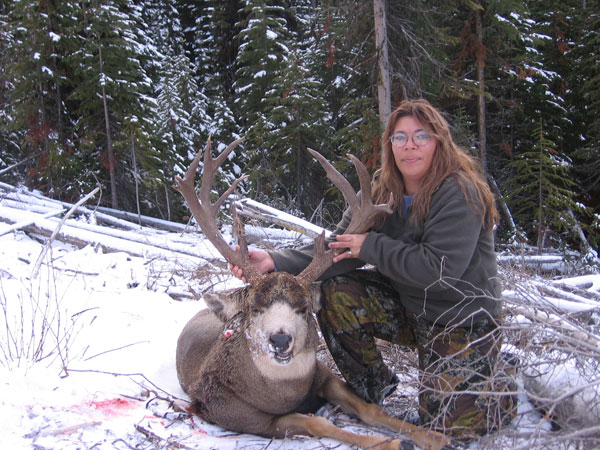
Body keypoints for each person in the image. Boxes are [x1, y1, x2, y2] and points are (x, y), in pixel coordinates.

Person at [230, 98, 514, 438]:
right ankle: (374, 391)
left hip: (460, 320)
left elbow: (439, 271)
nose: (409, 145)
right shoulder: (382, 191)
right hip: (409, 307)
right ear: (390, 144)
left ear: (439, 141)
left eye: (421, 136)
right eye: (400, 137)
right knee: (336, 294)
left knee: (454, 432)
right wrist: (276, 262)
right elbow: (340, 247)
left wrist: (371, 246)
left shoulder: (460, 192)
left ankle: (501, 382)